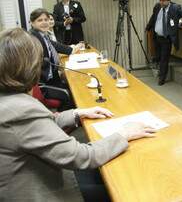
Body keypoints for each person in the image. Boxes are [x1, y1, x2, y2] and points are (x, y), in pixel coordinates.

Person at [0, 28, 157, 201]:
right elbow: (82, 156)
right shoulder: (20, 110)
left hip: (35, 175)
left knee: (104, 173)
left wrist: (78, 113)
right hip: (40, 191)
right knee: (129, 190)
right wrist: (124, 133)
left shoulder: (8, 100)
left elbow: (41, 126)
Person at [29, 8, 79, 110]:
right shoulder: (32, 39)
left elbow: (54, 45)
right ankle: (60, 121)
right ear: (32, 23)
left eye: (46, 20)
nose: (44, 23)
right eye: (40, 20)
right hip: (43, 83)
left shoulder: (42, 35)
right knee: (72, 95)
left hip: (53, 77)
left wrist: (71, 50)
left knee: (75, 87)